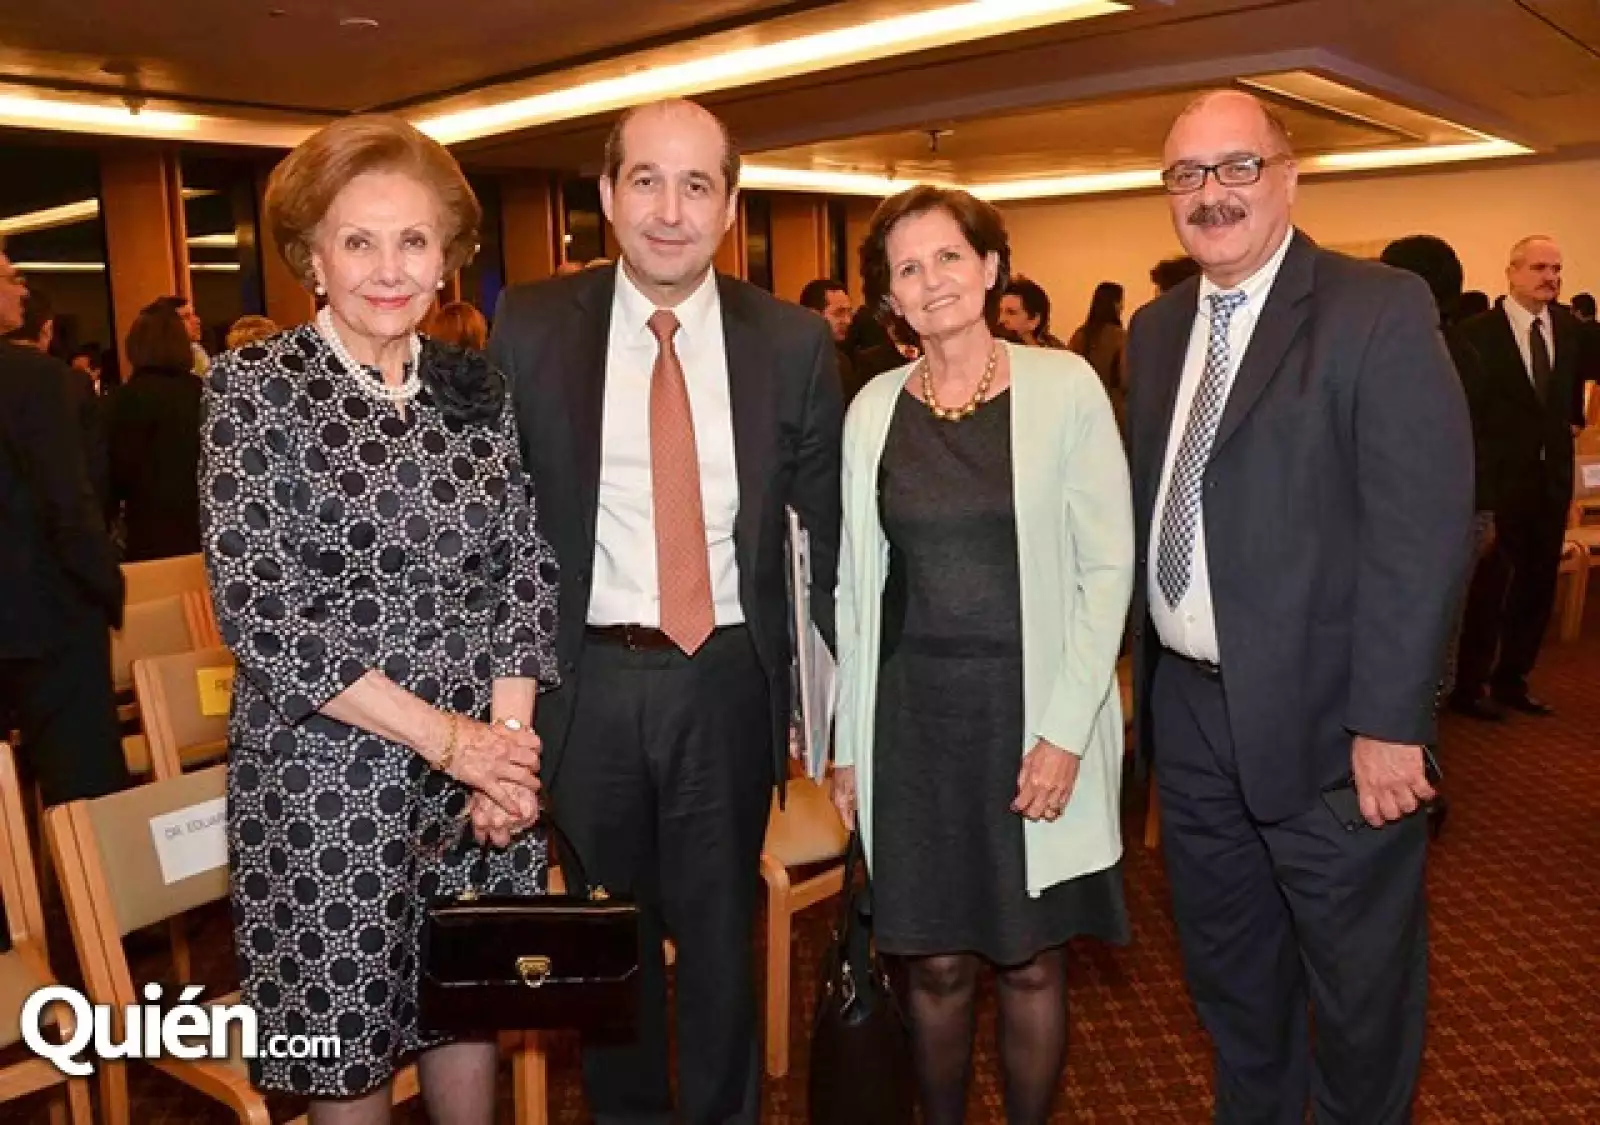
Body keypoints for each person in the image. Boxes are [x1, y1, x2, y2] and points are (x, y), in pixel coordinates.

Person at [489, 98, 841, 1125]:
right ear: (607, 195)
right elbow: (494, 528)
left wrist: (833, 719)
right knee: (611, 946)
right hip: (585, 683)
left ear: (730, 205)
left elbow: (825, 540)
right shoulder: (532, 326)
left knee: (724, 938)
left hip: (726, 678)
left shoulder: (791, 341)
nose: (670, 211)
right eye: (646, 180)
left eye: (696, 185)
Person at [200, 114, 559, 1120]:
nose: (390, 269)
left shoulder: (473, 387)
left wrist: (507, 752)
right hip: (325, 786)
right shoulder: (255, 388)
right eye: (358, 241)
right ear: (312, 259)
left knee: (468, 1011)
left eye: (413, 241)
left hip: (478, 780)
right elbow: (264, 613)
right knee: (346, 1052)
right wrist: (454, 743)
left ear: (446, 259)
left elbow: (521, 570)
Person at [1125, 91, 1473, 1124]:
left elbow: (1423, 531)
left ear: (1288, 174)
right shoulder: (1154, 329)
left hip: (1336, 731)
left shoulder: (1378, 308)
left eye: (1237, 166)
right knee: (1232, 980)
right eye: (1186, 174)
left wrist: (1391, 723)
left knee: (1360, 999)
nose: (1211, 194)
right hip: (1190, 718)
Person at [830, 186, 1132, 1125]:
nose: (932, 281)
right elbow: (854, 585)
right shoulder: (872, 409)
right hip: (913, 723)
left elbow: (1107, 570)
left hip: (1032, 712)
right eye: (908, 268)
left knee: (1032, 961)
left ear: (992, 266)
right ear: (890, 296)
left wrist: (1064, 732)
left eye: (949, 257)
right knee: (933, 965)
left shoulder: (1065, 386)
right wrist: (846, 743)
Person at [0, 248, 128, 808]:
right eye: (10, 277)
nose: (22, 291)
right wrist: (105, 586)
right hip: (47, 613)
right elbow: (67, 501)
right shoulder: (35, 378)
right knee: (84, 795)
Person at [1449, 236, 1587, 719]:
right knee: (1490, 589)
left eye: (1556, 269)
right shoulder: (1477, 334)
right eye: (1539, 268)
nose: (1550, 277)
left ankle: (1514, 678)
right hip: (1499, 481)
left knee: (1536, 583)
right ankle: (1470, 685)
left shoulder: (1568, 329)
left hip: (1550, 479)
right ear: (1511, 272)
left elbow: (1565, 399)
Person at [106, 300, 205, 561]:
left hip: (147, 526)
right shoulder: (204, 393)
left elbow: (114, 471)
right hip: (203, 521)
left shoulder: (121, 400)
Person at [1067, 280, 1127, 416]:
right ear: (1115, 304)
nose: (1122, 307)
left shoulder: (1080, 335)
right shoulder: (1120, 336)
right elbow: (1125, 379)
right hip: (1111, 408)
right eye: (1121, 302)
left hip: (1081, 406)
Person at [798, 277, 862, 402]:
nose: (848, 321)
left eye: (849, 313)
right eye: (839, 313)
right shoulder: (791, 360)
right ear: (813, 315)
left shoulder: (843, 361)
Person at [996, 277, 1066, 348]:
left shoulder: (1058, 353)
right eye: (1000, 311)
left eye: (1011, 312)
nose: (1001, 319)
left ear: (1034, 320)